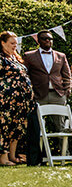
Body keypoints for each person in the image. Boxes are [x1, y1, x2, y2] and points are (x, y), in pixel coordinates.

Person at [23, 31, 72, 166]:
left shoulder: (61, 56)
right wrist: (30, 93)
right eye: (45, 39)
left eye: (50, 39)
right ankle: (36, 159)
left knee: (61, 126)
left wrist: (67, 91)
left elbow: (67, 75)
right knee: (36, 128)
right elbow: (25, 76)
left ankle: (64, 157)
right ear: (38, 41)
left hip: (57, 95)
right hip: (39, 95)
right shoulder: (29, 56)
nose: (48, 41)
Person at [0, 31, 33, 165]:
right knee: (4, 127)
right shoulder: (1, 58)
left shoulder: (15, 58)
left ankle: (13, 156)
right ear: (3, 43)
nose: (15, 46)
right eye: (12, 43)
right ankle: (3, 158)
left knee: (17, 128)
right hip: (6, 100)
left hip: (20, 101)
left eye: (16, 43)